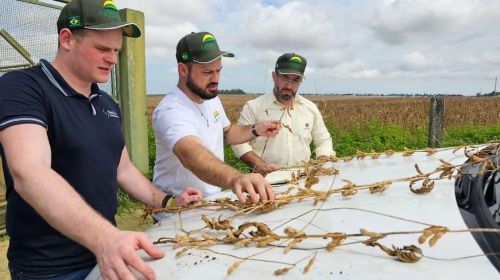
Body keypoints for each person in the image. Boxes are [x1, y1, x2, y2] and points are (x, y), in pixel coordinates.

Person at [0, 1, 201, 279]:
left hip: (105, 255)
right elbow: (30, 172)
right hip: (50, 268)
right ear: (67, 39)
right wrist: (105, 237)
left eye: (116, 50)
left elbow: (123, 170)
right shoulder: (23, 88)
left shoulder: (106, 103)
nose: (113, 59)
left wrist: (167, 201)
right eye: (103, 49)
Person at [152, 31, 281, 205]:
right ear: (183, 70)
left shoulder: (210, 99)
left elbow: (227, 133)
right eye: (207, 72)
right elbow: (191, 154)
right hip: (178, 211)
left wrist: (256, 129)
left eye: (218, 70)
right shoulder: (172, 110)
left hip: (212, 204)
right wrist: (236, 178)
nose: (215, 79)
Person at [231, 53, 335, 176]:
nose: (289, 85)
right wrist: (259, 165)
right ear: (274, 76)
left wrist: (322, 161)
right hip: (264, 181)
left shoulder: (310, 108)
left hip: (303, 180)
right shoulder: (254, 107)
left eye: (295, 80)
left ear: (300, 81)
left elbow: (323, 140)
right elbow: (238, 142)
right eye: (285, 78)